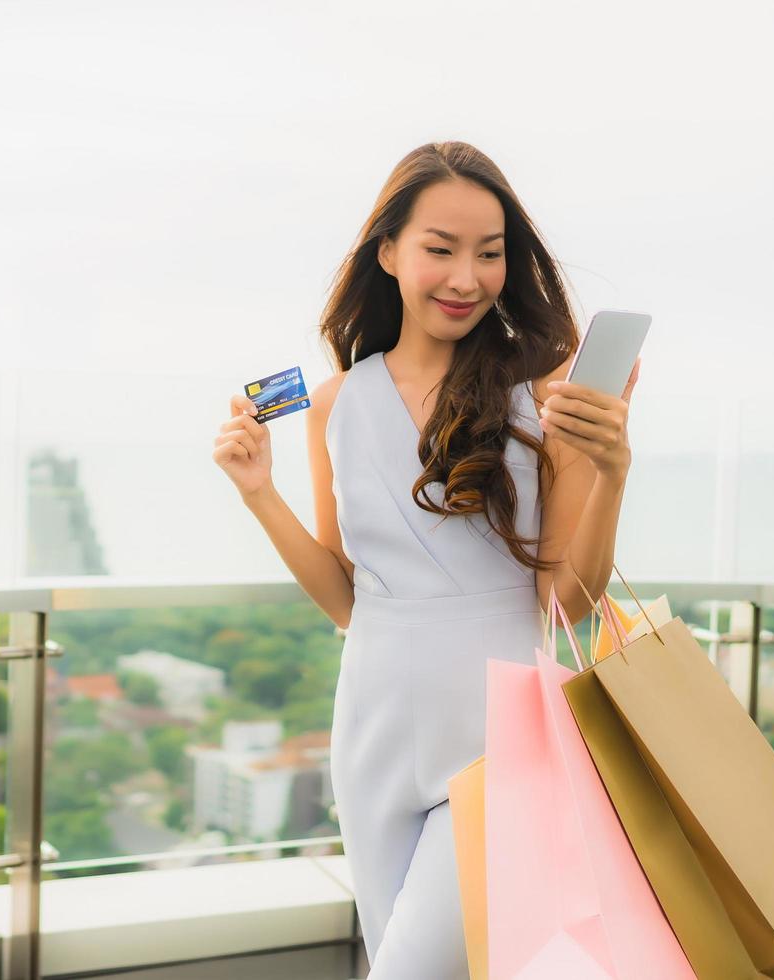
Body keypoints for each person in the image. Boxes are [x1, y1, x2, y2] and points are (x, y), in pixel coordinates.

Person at [211, 141, 640, 978]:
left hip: (499, 731)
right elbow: (347, 600)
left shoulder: (543, 394)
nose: (466, 277)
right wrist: (260, 495)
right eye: (440, 249)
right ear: (388, 252)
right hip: (370, 732)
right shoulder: (334, 402)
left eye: (489, 253)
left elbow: (570, 600)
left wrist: (613, 474)